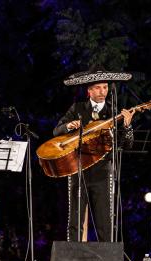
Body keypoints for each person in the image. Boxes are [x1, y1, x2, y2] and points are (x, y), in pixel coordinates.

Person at [53, 67, 134, 242]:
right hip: (78, 169)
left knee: (104, 220)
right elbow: (56, 131)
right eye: (98, 88)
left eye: (105, 87)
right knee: (75, 219)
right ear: (89, 91)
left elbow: (126, 144)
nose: (102, 91)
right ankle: (72, 258)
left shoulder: (114, 112)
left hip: (103, 171)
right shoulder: (78, 108)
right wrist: (68, 126)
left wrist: (127, 127)